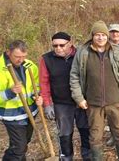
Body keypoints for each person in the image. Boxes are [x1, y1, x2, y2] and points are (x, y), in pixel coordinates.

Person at [70, 20, 119, 161]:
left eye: (103, 35)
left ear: (107, 36)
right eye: (97, 35)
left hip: (115, 102)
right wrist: (79, 98)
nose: (100, 38)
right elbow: (74, 75)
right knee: (95, 136)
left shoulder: (118, 51)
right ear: (92, 36)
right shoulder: (83, 53)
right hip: (93, 104)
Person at [39, 32, 91, 160]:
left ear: (70, 43)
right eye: (55, 46)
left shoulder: (81, 55)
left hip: (82, 102)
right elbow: (44, 83)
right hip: (61, 103)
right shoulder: (46, 59)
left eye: (62, 45)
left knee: (86, 131)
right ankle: (66, 157)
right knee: (65, 134)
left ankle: (88, 156)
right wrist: (47, 104)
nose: (58, 48)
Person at [0, 40, 43, 160]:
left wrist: (38, 95)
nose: (21, 60)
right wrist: (10, 92)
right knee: (19, 147)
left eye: (23, 56)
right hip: (12, 115)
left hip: (30, 112)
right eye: (17, 57)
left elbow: (37, 85)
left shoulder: (29, 65)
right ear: (8, 52)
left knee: (22, 144)